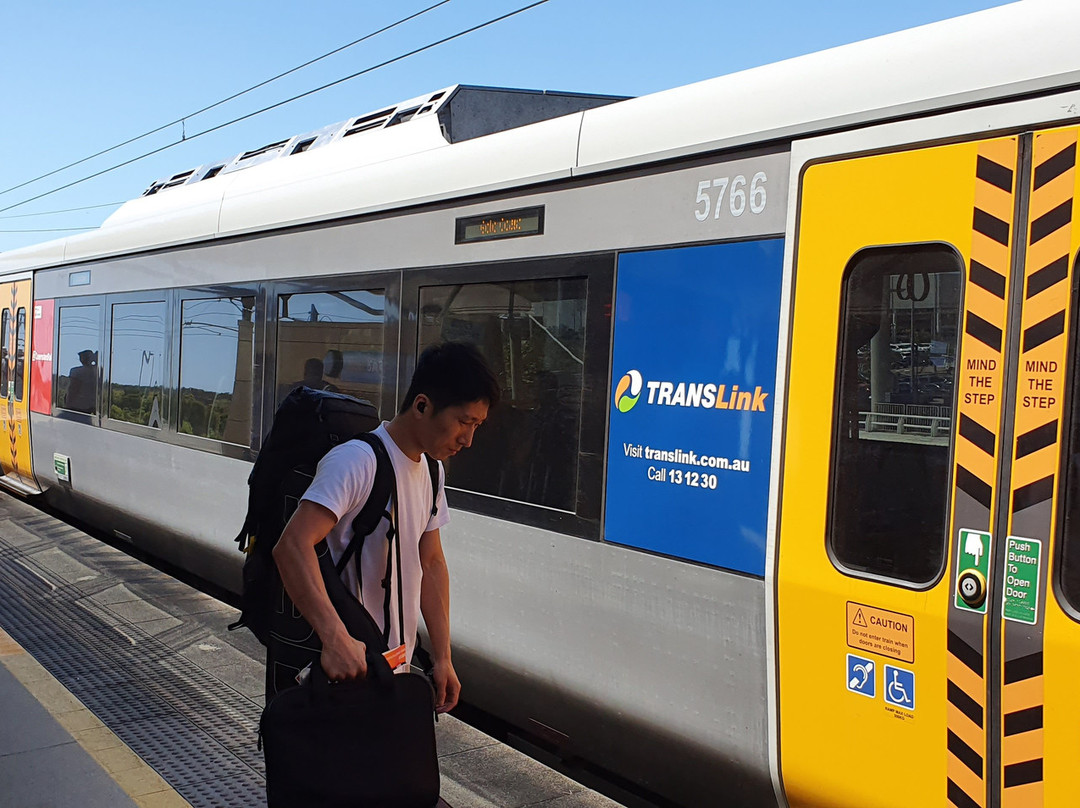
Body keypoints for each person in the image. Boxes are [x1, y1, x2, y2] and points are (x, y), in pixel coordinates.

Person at [272, 342, 500, 714]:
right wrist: (335, 638)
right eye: (464, 422)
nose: (468, 439)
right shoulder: (356, 462)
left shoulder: (431, 470)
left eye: (476, 426)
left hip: (393, 670)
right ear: (422, 405)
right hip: (346, 671)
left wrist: (442, 657)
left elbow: (432, 564)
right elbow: (292, 546)